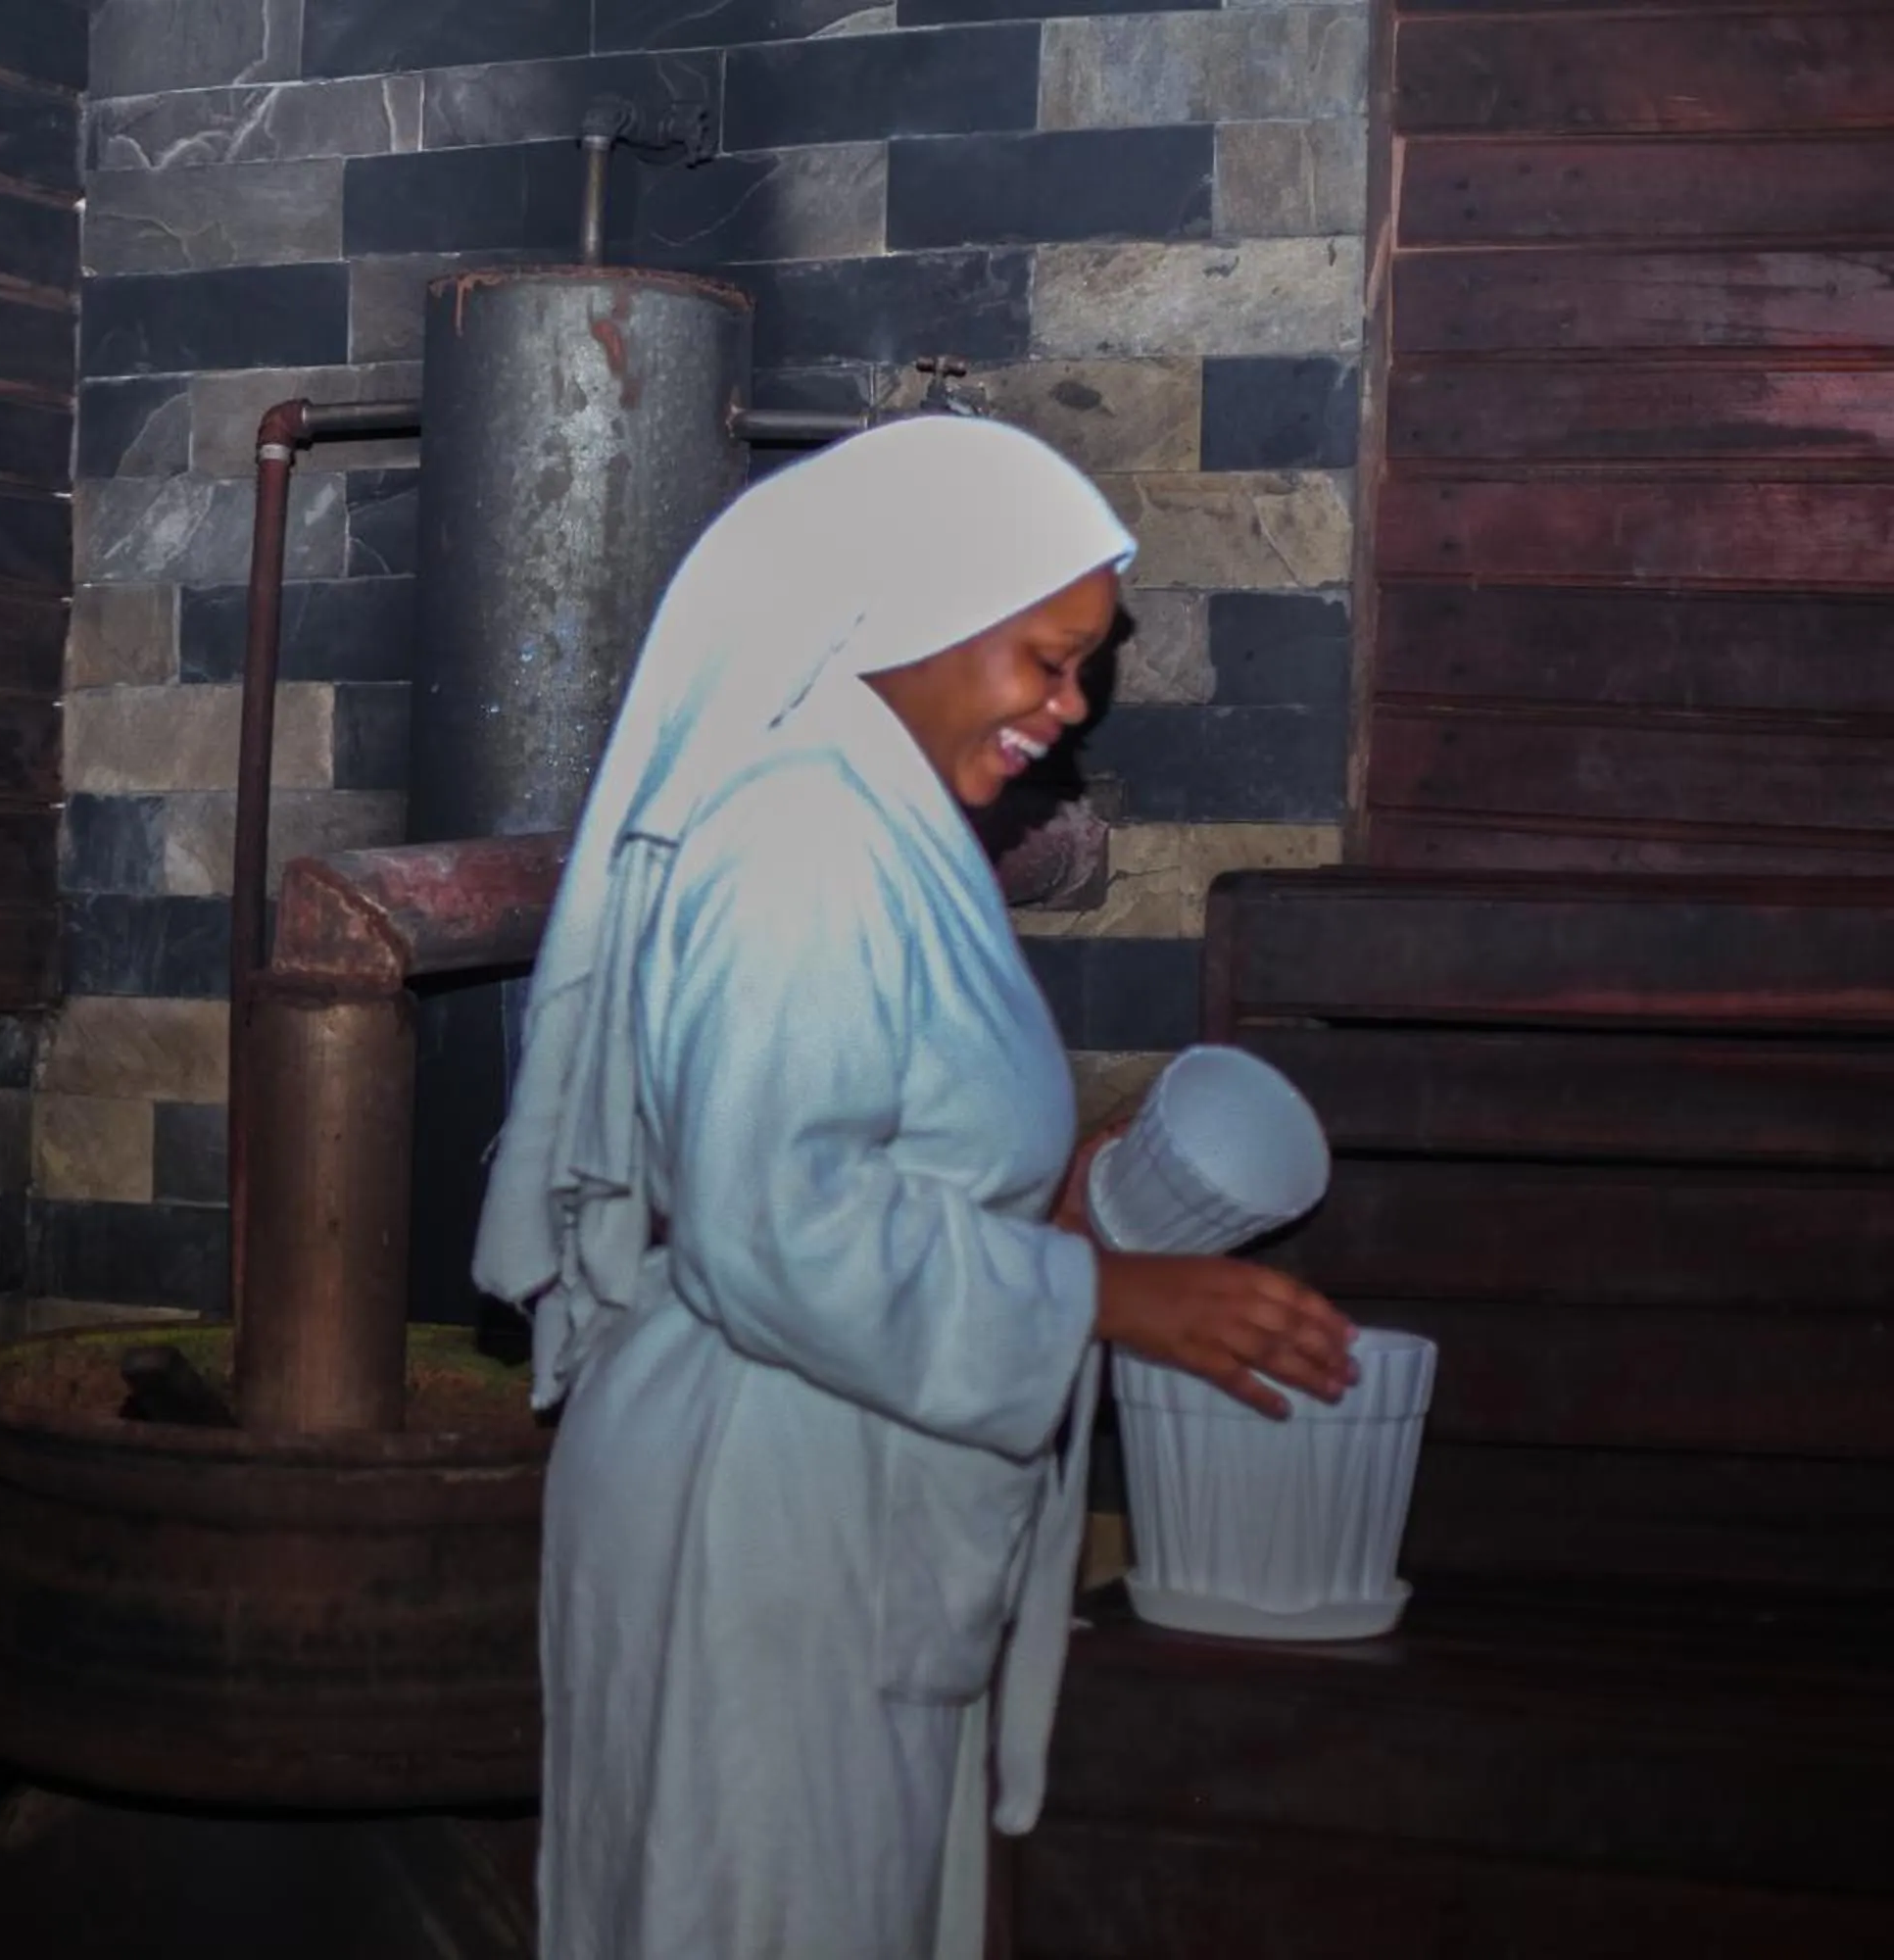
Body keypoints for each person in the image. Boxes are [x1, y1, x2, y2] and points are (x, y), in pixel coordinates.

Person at [473, 416, 1359, 1960]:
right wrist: (1100, 1295)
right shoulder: (802, 837)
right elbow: (777, 1226)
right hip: (754, 1514)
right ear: (918, 613)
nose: (1068, 710)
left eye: (1082, 669)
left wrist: (1062, 1211)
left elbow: (859, 1154)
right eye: (1048, 661)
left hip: (823, 1505)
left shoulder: (876, 820)